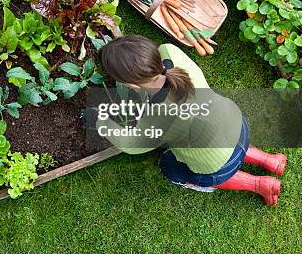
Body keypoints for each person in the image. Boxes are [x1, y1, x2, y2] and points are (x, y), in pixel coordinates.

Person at [97, 35, 287, 206]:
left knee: (169, 167)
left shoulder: (157, 117)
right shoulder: (173, 56)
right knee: (224, 141)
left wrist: (101, 122)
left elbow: (131, 145)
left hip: (217, 163)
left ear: (130, 85)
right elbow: (165, 48)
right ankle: (269, 160)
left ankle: (259, 184)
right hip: (237, 125)